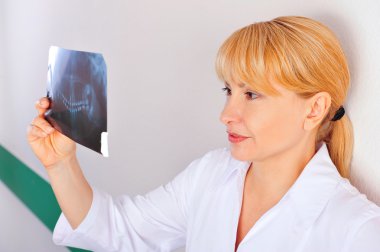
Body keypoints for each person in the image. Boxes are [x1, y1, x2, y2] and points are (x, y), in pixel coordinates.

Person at [27, 16, 380, 252]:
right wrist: (60, 164)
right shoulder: (211, 174)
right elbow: (119, 229)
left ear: (314, 109)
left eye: (252, 94)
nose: (227, 115)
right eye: (229, 91)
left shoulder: (357, 230)